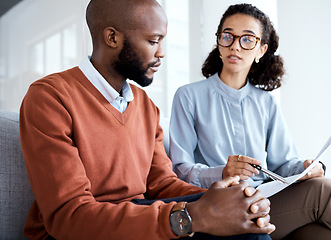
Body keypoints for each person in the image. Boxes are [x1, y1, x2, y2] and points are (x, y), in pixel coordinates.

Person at [19, 0, 276, 239]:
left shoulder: (145, 106)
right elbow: (69, 217)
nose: (162, 53)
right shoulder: (50, 97)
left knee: (243, 218)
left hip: (141, 220)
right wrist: (190, 216)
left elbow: (162, 184)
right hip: (84, 230)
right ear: (112, 38)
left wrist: (220, 198)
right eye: (154, 41)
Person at [169, 3, 331, 240]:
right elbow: (178, 171)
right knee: (325, 191)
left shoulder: (266, 103)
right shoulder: (188, 96)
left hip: (266, 200)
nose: (235, 46)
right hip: (222, 206)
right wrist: (222, 172)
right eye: (228, 36)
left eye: (247, 39)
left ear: (261, 50)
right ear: (218, 41)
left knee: (327, 237)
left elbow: (283, 165)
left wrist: (304, 168)